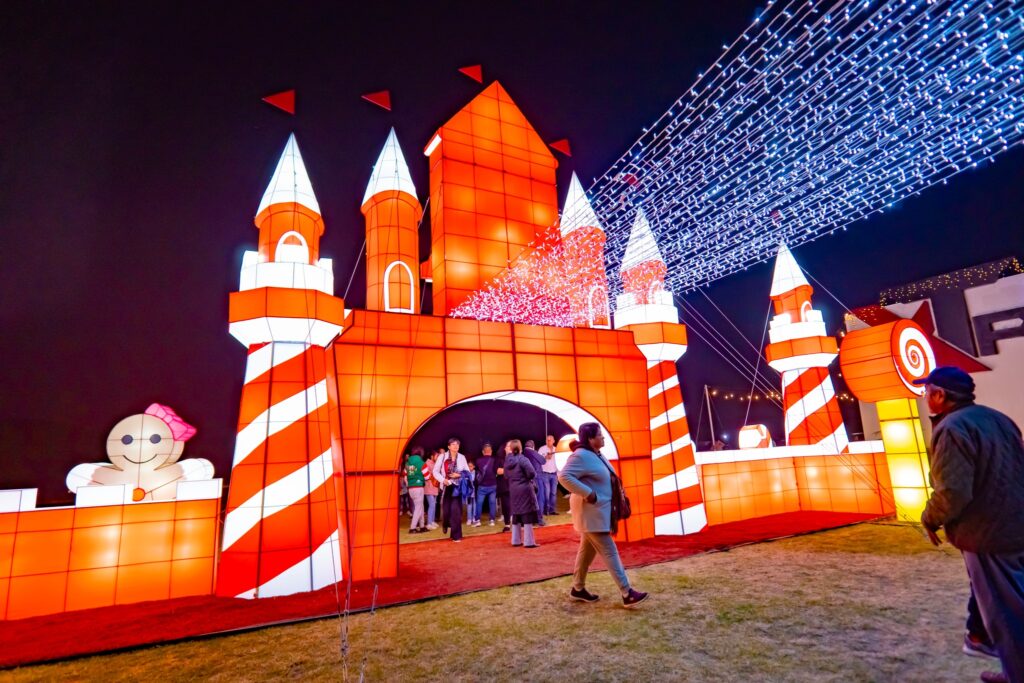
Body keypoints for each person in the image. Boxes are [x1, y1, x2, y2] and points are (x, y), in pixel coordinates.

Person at [915, 367, 1024, 683]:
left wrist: (930, 518)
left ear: (940, 395)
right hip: (1015, 526)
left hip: (988, 535)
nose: (925, 398)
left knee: (1005, 614)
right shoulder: (998, 419)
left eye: (927, 392)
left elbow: (953, 491)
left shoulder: (952, 428)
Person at [559, 422, 649, 608]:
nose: (603, 437)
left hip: (597, 512)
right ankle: (627, 592)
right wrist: (589, 494)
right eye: (600, 435)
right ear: (591, 438)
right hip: (591, 512)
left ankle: (578, 589)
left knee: (586, 552)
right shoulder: (581, 455)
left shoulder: (595, 454)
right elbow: (564, 477)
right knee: (609, 551)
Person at [504, 439, 540, 548]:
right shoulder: (523, 459)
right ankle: (529, 541)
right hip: (524, 488)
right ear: (519, 448)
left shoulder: (507, 461)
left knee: (516, 514)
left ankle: (515, 540)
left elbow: (506, 475)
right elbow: (532, 473)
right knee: (527, 514)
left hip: (513, 489)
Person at [433, 437, 469, 543]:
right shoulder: (442, 457)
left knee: (456, 511)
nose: (456, 446)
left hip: (457, 486)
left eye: (457, 444)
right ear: (448, 446)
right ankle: (445, 524)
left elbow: (467, 472)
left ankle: (456, 535)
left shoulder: (462, 457)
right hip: (446, 486)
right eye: (453, 444)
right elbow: (435, 471)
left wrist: (459, 474)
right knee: (447, 511)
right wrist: (442, 480)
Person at [523, 439, 546, 526]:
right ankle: (539, 519)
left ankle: (531, 520)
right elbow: (543, 461)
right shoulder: (533, 452)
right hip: (537, 478)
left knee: (529, 500)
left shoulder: (523, 453)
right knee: (539, 498)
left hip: (526, 479)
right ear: (533, 446)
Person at [475, 442, 499, 526]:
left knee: (479, 503)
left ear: (483, 451)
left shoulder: (478, 461)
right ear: (491, 451)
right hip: (493, 484)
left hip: (482, 486)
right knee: (492, 503)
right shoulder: (495, 460)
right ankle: (492, 520)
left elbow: (478, 472)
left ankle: (477, 520)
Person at [538, 434, 560, 515]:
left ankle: (552, 510)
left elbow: (558, 462)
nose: (548, 441)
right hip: (545, 474)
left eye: (550, 440)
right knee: (546, 493)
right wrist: (545, 457)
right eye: (547, 440)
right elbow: (538, 461)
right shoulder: (542, 449)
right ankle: (545, 510)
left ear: (554, 441)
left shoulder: (557, 450)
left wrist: (558, 474)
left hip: (554, 474)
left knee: (553, 493)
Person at [406, 447, 426, 533]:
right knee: (418, 508)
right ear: (421, 453)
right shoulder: (421, 463)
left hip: (411, 488)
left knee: (420, 506)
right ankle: (412, 528)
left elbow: (406, 474)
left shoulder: (408, 463)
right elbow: (427, 476)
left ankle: (422, 526)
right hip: (419, 487)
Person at [495, 442, 512, 532]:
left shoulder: (517, 457)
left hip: (516, 485)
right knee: (506, 506)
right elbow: (498, 471)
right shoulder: (499, 459)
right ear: (504, 448)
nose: (510, 447)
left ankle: (519, 522)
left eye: (511, 446)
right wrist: (511, 470)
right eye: (508, 446)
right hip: (504, 486)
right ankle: (507, 524)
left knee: (517, 504)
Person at [423, 450, 439, 530]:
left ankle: (432, 521)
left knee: (434, 504)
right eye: (436, 456)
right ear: (432, 456)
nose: (437, 457)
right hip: (429, 487)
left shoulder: (434, 464)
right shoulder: (428, 463)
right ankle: (429, 523)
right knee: (432, 504)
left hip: (434, 487)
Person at [465, 461, 478, 526]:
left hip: (475, 491)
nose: (469, 467)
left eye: (471, 466)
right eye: (468, 466)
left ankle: (474, 518)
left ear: (474, 466)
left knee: (475, 505)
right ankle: (469, 519)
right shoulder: (466, 473)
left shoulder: (476, 473)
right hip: (468, 492)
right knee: (469, 506)